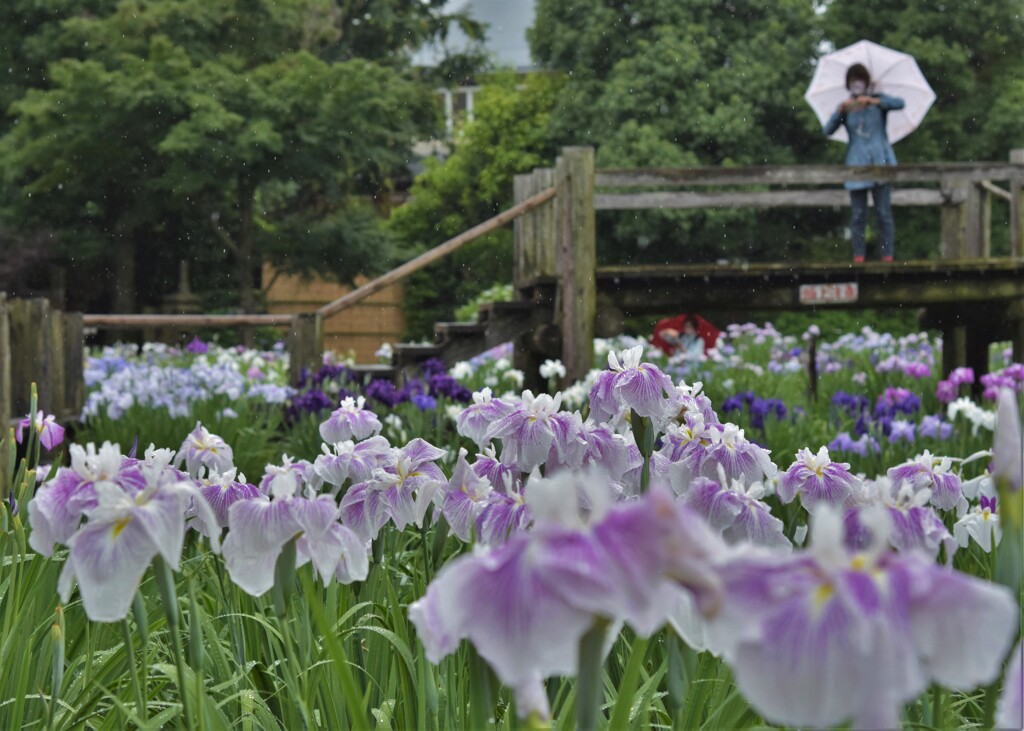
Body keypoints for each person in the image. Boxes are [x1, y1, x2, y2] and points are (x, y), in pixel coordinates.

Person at [824, 63, 905, 263]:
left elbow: (900, 103)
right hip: (857, 163)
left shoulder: (878, 101)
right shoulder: (846, 107)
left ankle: (887, 255)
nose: (857, 84)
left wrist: (873, 100)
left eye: (860, 80)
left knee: (883, 213)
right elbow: (827, 130)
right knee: (858, 215)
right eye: (853, 80)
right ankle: (859, 255)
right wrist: (840, 111)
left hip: (881, 161)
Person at [652, 314, 719, 359]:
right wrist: (668, 331)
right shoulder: (682, 336)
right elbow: (661, 334)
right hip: (677, 364)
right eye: (685, 326)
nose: (686, 328)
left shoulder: (699, 341)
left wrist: (680, 346)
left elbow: (694, 357)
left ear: (694, 327)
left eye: (689, 326)